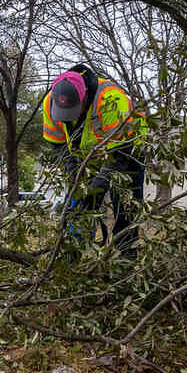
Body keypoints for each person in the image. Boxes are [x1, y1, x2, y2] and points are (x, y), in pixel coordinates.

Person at [42, 64, 147, 258]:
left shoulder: (110, 98)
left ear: (85, 97)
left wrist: (98, 186)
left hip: (128, 153)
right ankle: (71, 258)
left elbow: (120, 152)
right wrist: (73, 171)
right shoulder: (50, 102)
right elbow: (57, 144)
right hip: (86, 159)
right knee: (76, 209)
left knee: (125, 208)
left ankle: (125, 261)